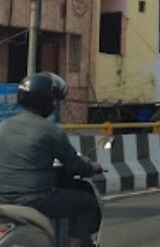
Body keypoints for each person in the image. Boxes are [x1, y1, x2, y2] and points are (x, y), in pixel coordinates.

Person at [0, 72, 103, 247]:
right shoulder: (51, 131)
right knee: (87, 203)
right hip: (36, 199)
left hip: (2, 197)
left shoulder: (3, 126)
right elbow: (75, 165)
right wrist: (93, 167)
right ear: (46, 102)